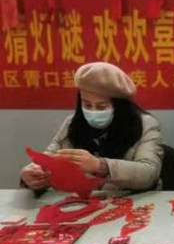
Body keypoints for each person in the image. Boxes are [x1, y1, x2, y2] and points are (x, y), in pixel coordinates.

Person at [20, 62, 164, 191]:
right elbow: (49, 159)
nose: (93, 112)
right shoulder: (72, 124)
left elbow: (149, 173)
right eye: (87, 105)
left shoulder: (146, 124)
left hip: (132, 201)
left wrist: (100, 166)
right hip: (82, 203)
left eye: (101, 107)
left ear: (120, 107)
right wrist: (34, 174)